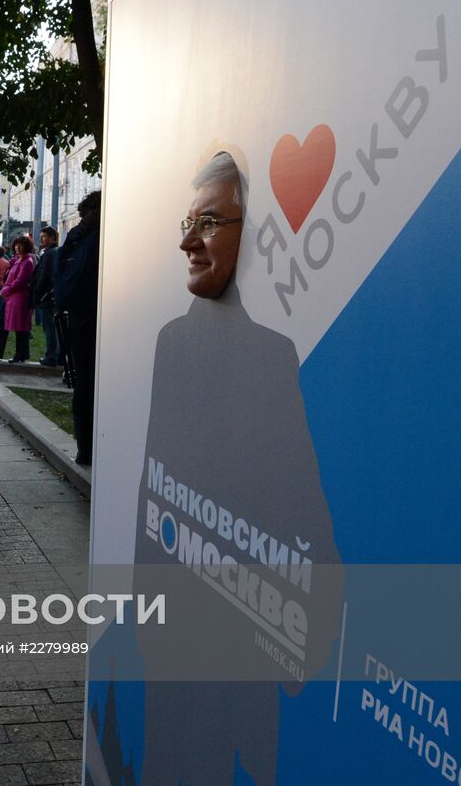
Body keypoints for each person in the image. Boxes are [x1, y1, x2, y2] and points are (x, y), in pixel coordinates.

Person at [124, 151, 342, 784]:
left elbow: (306, 502)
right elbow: (152, 482)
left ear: (253, 238)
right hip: (172, 650)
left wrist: (309, 632)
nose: (188, 241)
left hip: (244, 655)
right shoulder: (172, 341)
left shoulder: (274, 357)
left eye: (211, 222)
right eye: (188, 221)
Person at [53, 192, 100, 464]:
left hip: (78, 314)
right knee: (91, 382)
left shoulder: (74, 240)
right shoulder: (95, 240)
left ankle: (85, 448)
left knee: (83, 382)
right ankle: (90, 447)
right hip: (93, 314)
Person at [0, 235, 36, 362]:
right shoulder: (18, 260)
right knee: (3, 324)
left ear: (27, 247)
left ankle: (20, 354)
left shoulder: (27, 262)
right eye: (16, 245)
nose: (18, 247)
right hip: (11, 298)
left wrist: (5, 290)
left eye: (20, 245)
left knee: (20, 327)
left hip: (18, 298)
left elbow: (20, 281)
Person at [32, 227, 62, 366]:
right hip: (52, 295)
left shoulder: (50, 254)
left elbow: (44, 276)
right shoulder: (55, 252)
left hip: (47, 297)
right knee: (54, 328)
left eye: (44, 236)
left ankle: (51, 357)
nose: (41, 239)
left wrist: (37, 292)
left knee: (49, 328)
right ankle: (58, 356)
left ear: (52, 238)